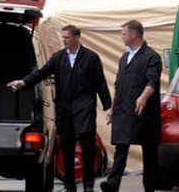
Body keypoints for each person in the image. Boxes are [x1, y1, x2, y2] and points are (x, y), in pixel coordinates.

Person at [7, 25, 112, 192]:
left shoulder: (91, 57)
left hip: (84, 109)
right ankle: (69, 185)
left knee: (87, 147)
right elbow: (41, 73)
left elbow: (100, 83)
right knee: (67, 148)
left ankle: (88, 184)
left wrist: (108, 107)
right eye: (63, 37)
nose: (64, 40)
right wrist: (24, 82)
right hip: (65, 109)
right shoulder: (58, 57)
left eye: (67, 37)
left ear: (77, 37)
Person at [100, 20, 162, 192]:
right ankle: (113, 184)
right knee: (121, 146)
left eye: (124, 33)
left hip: (144, 113)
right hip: (123, 110)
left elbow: (153, 81)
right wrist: (113, 107)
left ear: (134, 34)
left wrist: (143, 97)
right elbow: (118, 84)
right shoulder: (124, 57)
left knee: (149, 151)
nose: (122, 37)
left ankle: (149, 187)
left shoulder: (151, 56)